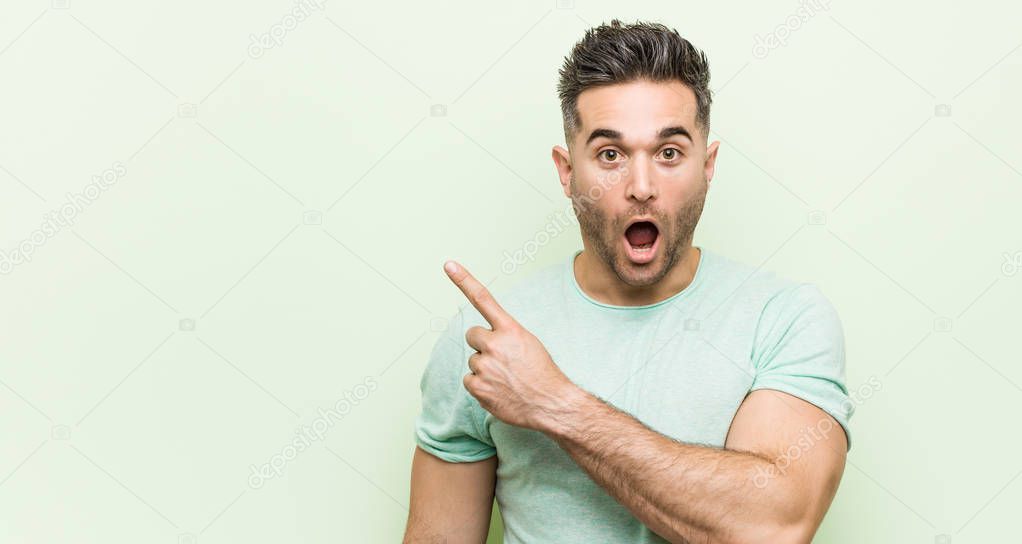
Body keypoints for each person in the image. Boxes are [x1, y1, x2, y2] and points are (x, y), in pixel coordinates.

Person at [404, 18, 852, 544]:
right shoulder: (487, 342)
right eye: (610, 154)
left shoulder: (785, 319)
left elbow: (771, 527)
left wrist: (554, 404)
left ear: (707, 166)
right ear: (567, 171)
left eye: (669, 153)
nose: (641, 187)